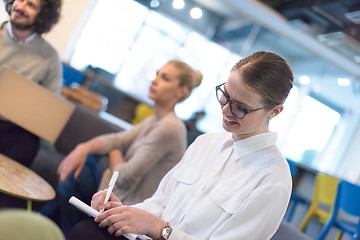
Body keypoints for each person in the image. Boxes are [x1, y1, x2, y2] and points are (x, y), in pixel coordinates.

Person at [67, 51, 295, 240]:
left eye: (241, 107)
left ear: (275, 111)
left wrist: (162, 230)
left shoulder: (273, 180)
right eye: (225, 96)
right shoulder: (205, 143)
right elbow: (161, 202)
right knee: (87, 231)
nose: (225, 110)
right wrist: (125, 211)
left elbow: (159, 225)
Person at [41, 60, 203, 235]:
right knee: (81, 170)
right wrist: (83, 147)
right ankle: (46, 229)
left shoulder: (170, 128)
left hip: (131, 205)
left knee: (76, 176)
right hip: (119, 193)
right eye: (156, 74)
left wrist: (113, 150)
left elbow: (124, 176)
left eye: (164, 78)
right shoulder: (154, 120)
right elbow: (116, 139)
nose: (155, 81)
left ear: (181, 91)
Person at [0, 0, 63, 167]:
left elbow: (51, 107)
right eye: (19, 0)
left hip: (14, 127)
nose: (20, 7)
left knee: (27, 145)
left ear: (44, 15)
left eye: (30, 5)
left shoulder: (50, 58)